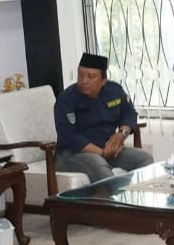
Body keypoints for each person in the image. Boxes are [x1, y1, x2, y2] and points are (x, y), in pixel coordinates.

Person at [54, 53, 153, 182]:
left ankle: (138, 193)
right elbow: (69, 136)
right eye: (81, 75)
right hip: (72, 154)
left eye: (90, 76)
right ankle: (115, 196)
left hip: (106, 149)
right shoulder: (66, 99)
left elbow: (129, 113)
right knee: (99, 164)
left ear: (103, 81)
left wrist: (121, 135)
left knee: (145, 159)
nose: (84, 81)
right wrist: (101, 153)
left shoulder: (114, 91)